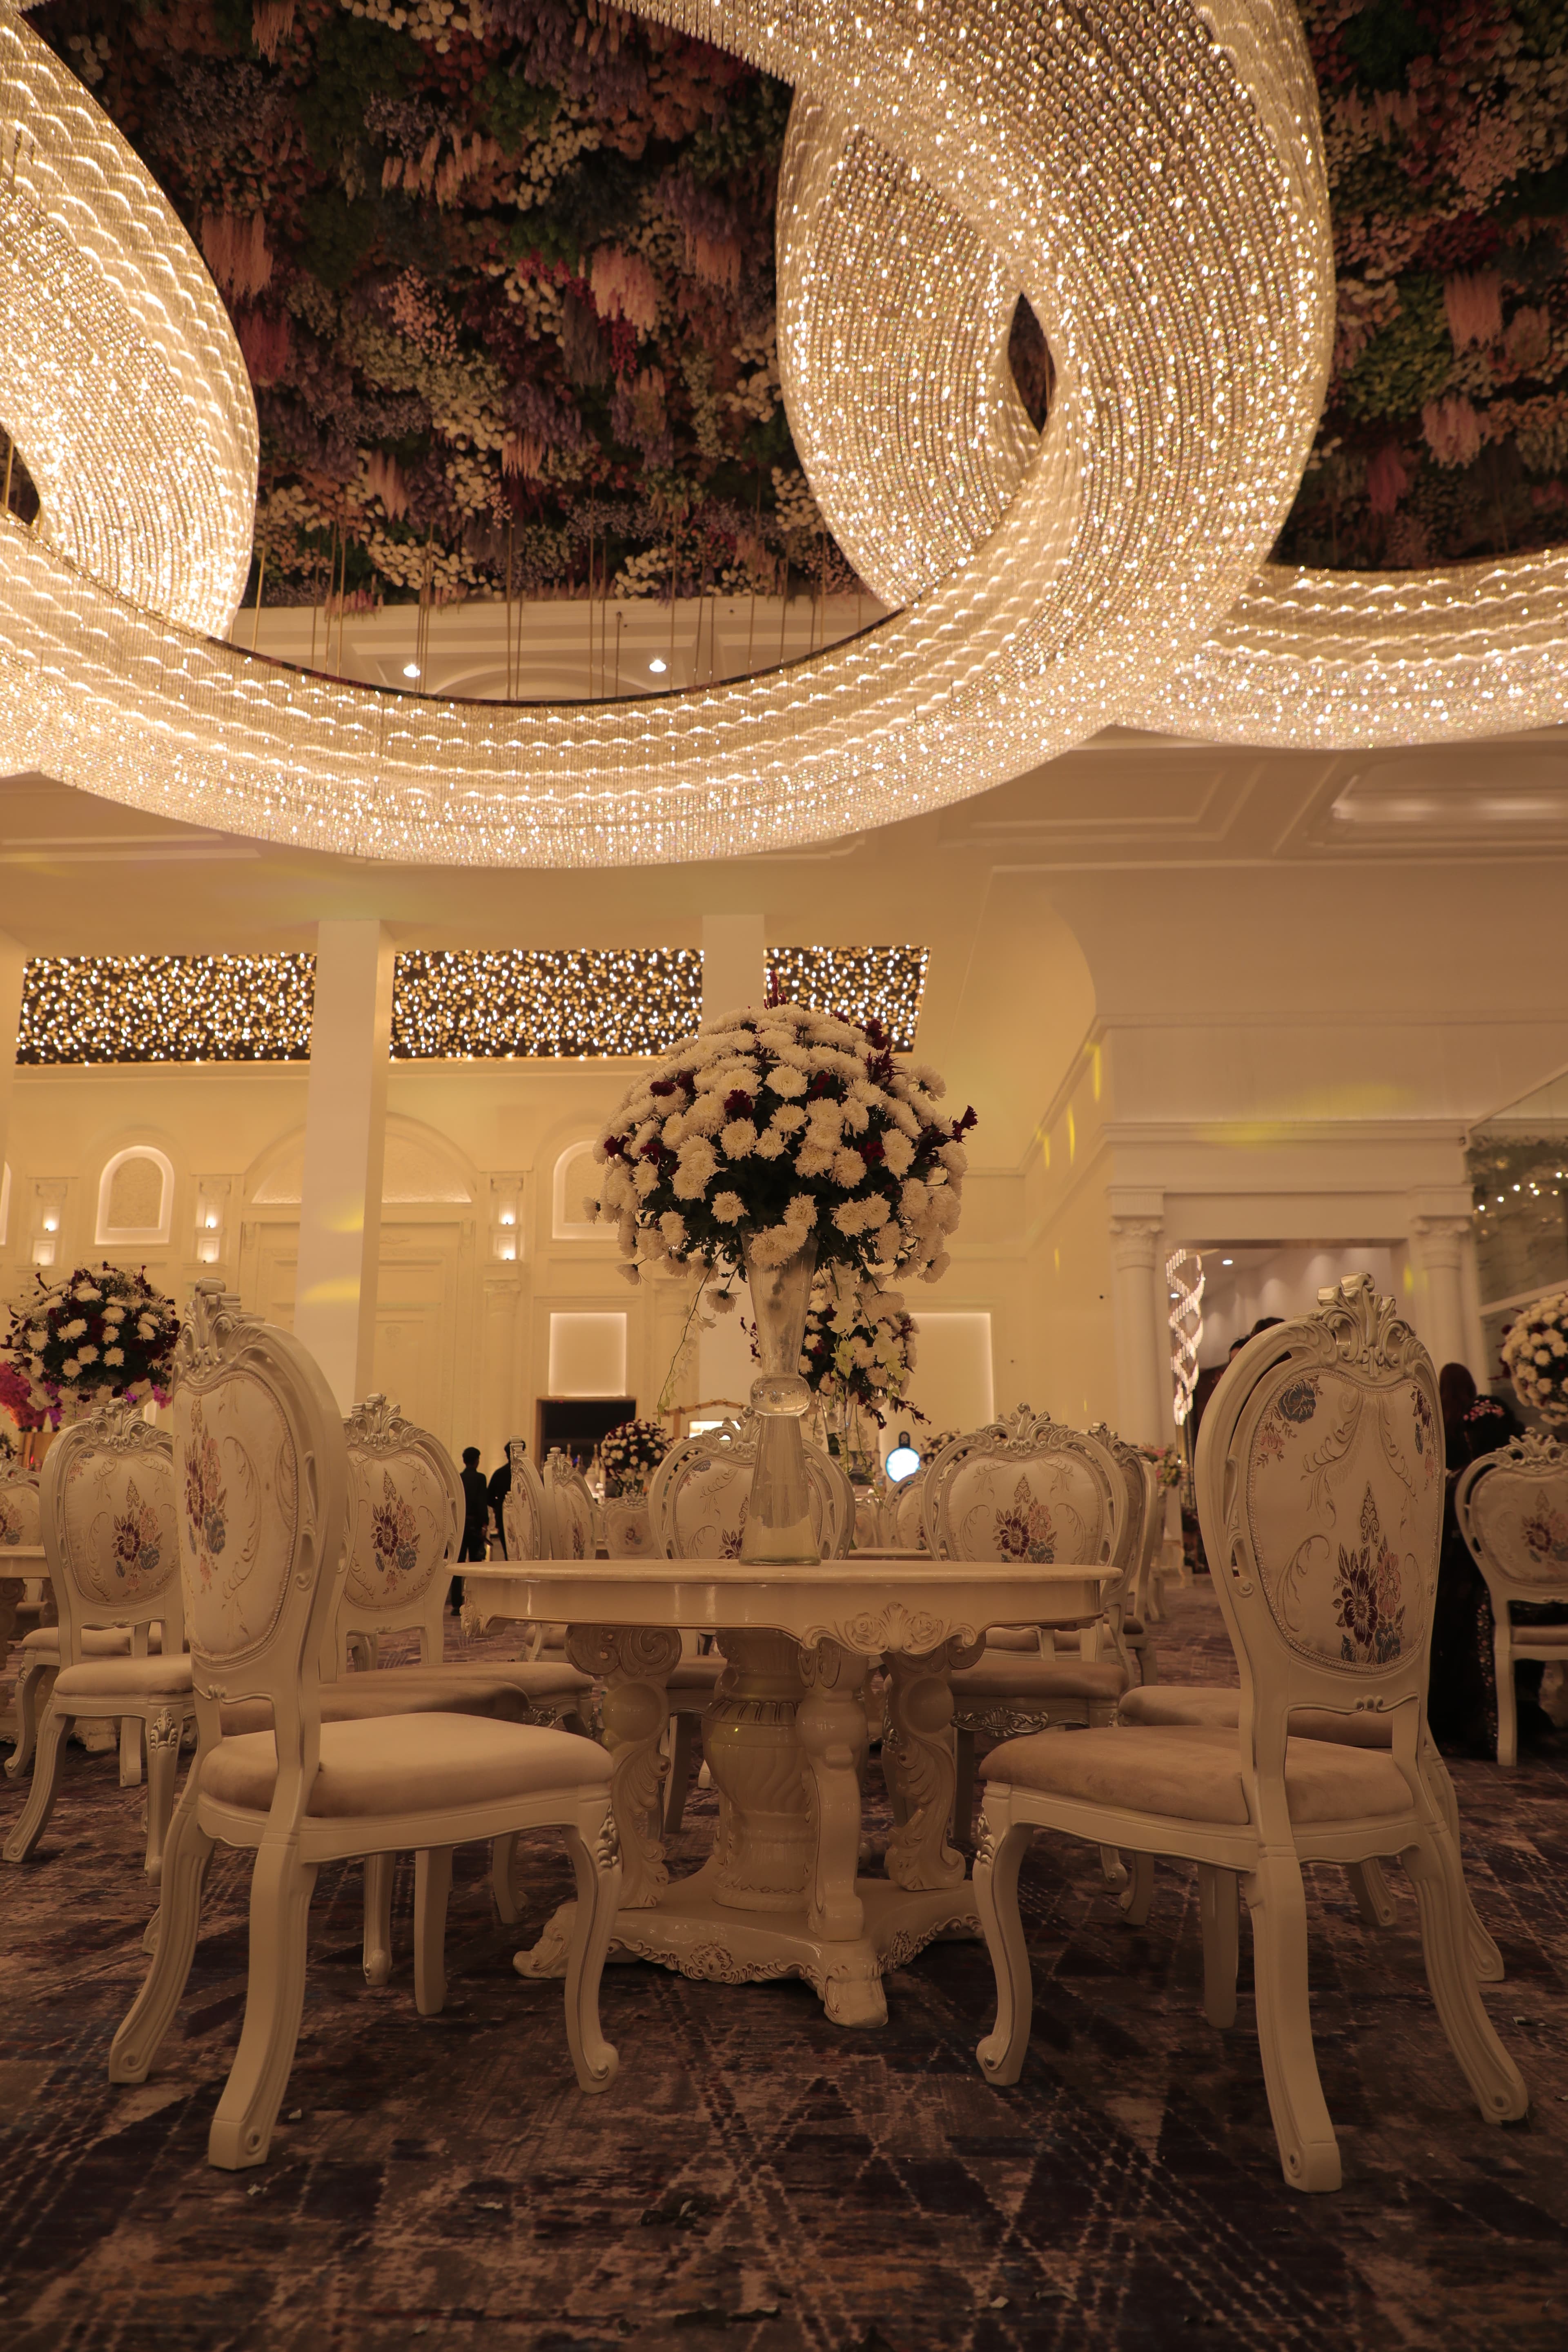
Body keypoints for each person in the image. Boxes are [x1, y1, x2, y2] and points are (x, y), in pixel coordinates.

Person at [1427, 1363, 1528, 1753]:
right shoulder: (1497, 1424)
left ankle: (1474, 1713)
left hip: (1469, 1554)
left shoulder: (1442, 1425)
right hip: (1522, 1562)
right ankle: (1523, 1703)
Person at [453, 1445, 489, 1611]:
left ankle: (456, 1604)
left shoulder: (458, 1478)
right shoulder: (480, 1478)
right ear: (476, 1461)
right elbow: (482, 1503)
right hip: (475, 1526)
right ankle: (476, 1601)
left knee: (457, 1565)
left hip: (460, 1526)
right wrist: (485, 1525)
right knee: (476, 1566)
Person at [487, 1449, 513, 1557]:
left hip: (502, 1517)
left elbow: (489, 1497)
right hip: (523, 1519)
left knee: (508, 1553)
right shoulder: (526, 1474)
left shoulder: (499, 1474)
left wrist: (498, 1507)